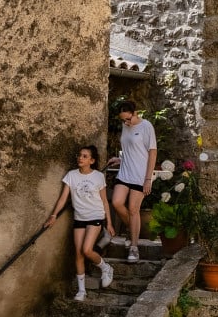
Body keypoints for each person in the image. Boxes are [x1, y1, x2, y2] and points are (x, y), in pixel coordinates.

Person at [43, 145, 114, 299]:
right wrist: (53, 215)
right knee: (79, 253)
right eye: (79, 155)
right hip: (79, 217)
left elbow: (104, 201)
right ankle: (82, 291)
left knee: (87, 250)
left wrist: (109, 223)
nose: (80, 158)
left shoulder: (98, 176)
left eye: (84, 156)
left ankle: (106, 267)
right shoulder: (71, 175)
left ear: (92, 161)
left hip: (95, 215)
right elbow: (63, 198)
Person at [110, 98, 157, 262]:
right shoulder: (125, 126)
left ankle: (134, 247)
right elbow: (131, 149)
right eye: (123, 120)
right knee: (116, 202)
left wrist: (148, 179)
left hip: (140, 175)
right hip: (124, 172)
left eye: (128, 119)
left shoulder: (146, 126)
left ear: (135, 113)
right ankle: (132, 230)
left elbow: (152, 153)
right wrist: (120, 159)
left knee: (133, 209)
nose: (126, 123)